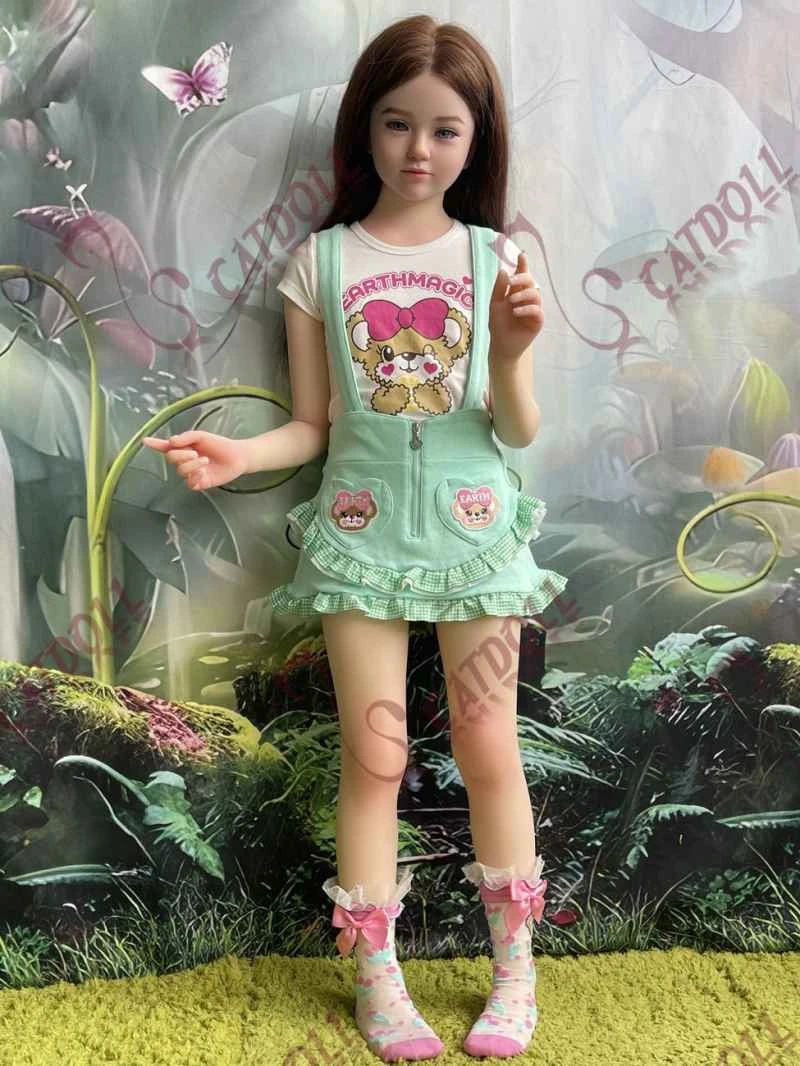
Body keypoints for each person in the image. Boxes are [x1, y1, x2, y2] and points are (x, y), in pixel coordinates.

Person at [144, 14, 568, 1062]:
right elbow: (311, 425)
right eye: (396, 123)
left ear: (475, 142)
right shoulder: (319, 265)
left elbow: (517, 429)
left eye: (445, 130)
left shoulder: (495, 259)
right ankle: (379, 980)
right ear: (364, 129)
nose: (418, 150)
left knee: (488, 748)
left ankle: (514, 973)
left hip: (476, 537)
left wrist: (512, 352)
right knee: (374, 757)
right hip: (358, 537)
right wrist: (239, 456)